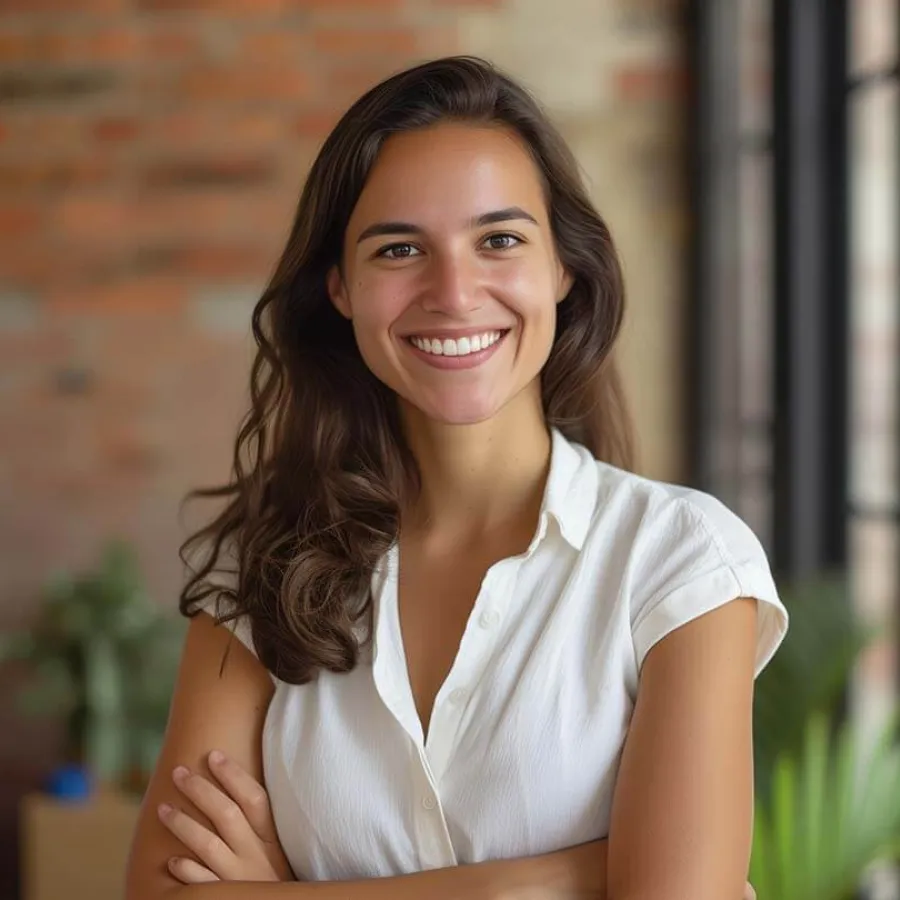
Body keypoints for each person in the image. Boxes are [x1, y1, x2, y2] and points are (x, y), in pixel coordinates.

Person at [126, 56, 787, 900]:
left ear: (563, 270)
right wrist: (566, 877)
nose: (453, 291)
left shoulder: (683, 562)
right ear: (339, 286)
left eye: (499, 240)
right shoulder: (262, 569)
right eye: (399, 248)